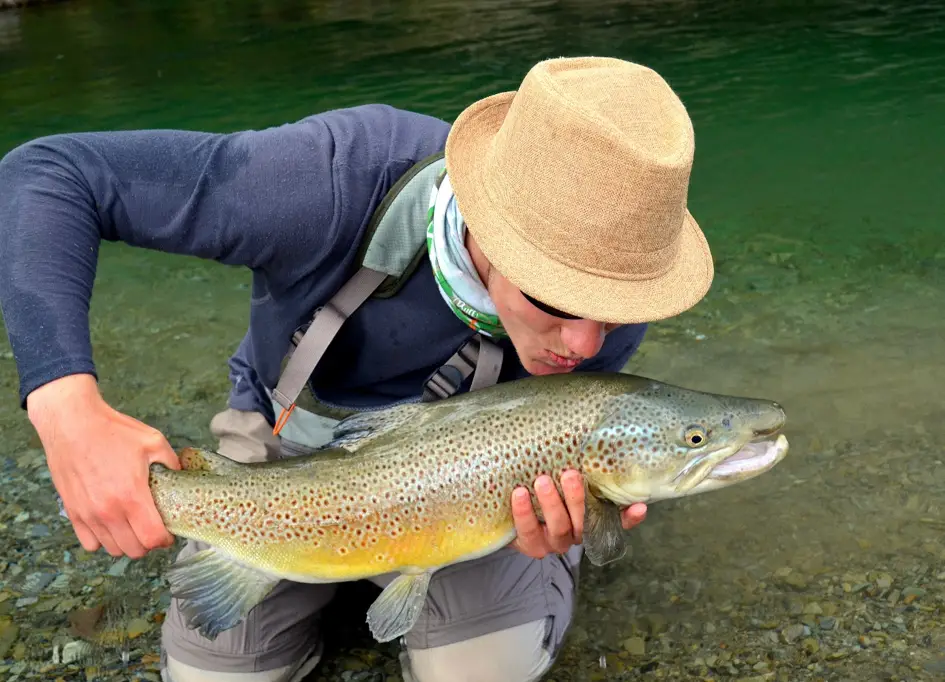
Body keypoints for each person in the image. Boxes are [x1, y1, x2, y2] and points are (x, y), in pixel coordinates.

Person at [0, 56, 713, 682]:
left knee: (479, 674)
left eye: (612, 310)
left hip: (478, 483)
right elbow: (50, 174)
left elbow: (563, 440)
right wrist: (68, 411)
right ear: (487, 223)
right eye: (553, 297)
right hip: (287, 459)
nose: (586, 345)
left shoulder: (619, 277)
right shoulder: (325, 180)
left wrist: (571, 525)